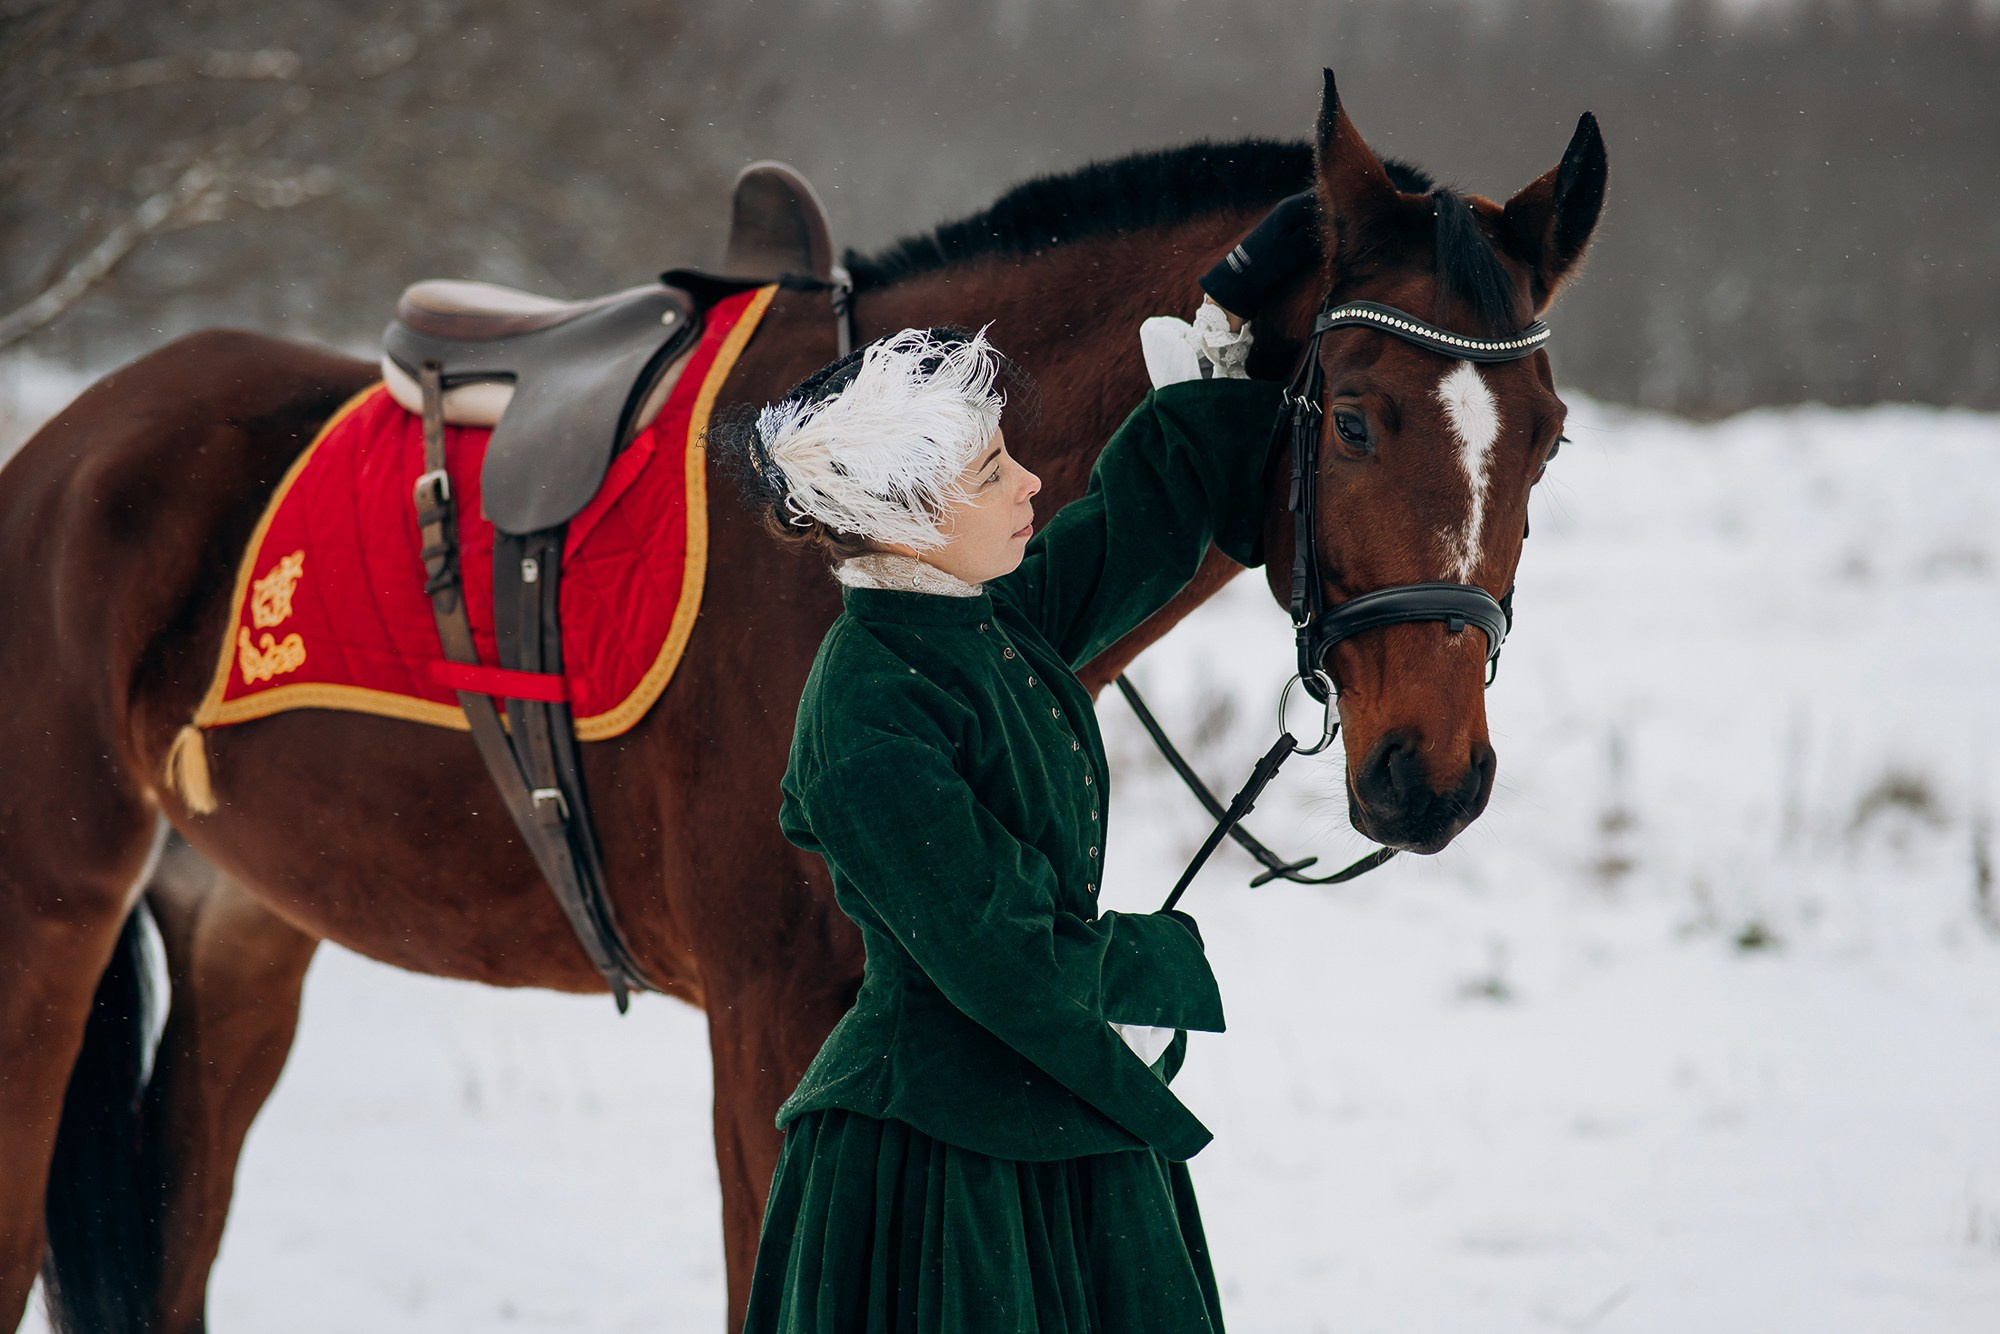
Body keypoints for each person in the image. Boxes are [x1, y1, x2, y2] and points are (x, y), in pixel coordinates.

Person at [719, 196, 1315, 1334]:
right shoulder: (866, 719)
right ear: (903, 521)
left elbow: (1130, 533)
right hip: (935, 1169)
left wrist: (1218, 356)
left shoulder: (982, 620)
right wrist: (1157, 957)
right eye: (992, 473)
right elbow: (1008, 964)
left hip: (1049, 1108)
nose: (1031, 484)